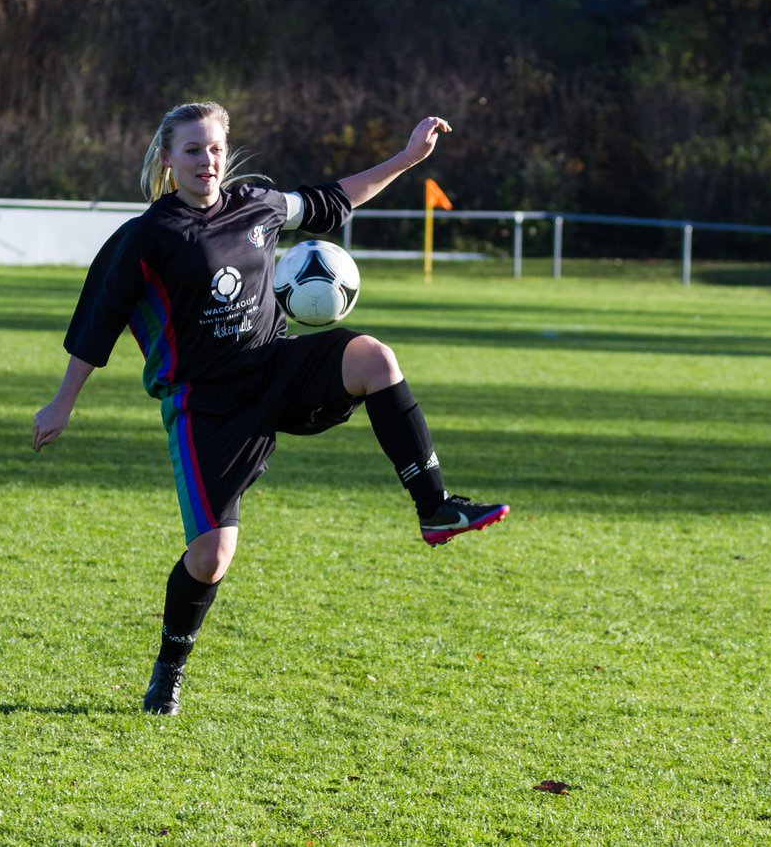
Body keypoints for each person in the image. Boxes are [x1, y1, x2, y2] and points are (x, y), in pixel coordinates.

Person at [32, 102, 508, 716]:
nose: (207, 161)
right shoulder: (144, 238)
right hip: (205, 404)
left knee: (375, 361)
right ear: (168, 160)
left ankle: (436, 506)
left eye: (215, 149)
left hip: (275, 367)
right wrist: (62, 402)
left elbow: (332, 199)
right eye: (193, 150)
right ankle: (168, 671)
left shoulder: (257, 203)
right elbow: (95, 324)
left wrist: (408, 159)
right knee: (211, 557)